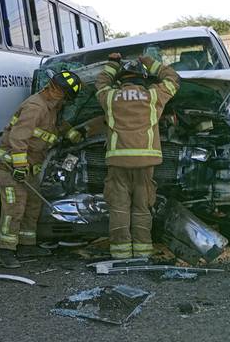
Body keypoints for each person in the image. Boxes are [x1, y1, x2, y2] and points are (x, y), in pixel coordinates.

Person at [67, 53, 180, 259]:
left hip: (118, 162)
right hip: (146, 162)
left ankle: (120, 253)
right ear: (142, 79)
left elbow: (101, 82)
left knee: (119, 206)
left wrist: (113, 63)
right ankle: (143, 250)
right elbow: (173, 79)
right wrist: (149, 61)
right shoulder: (153, 96)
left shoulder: (110, 98)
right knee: (142, 206)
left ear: (121, 80)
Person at [0, 71, 83, 268]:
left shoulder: (51, 107)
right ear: (58, 91)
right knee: (14, 209)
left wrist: (73, 134)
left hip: (31, 167)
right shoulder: (36, 107)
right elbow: (17, 138)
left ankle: (27, 245)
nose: (66, 102)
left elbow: (55, 126)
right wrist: (19, 166)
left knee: (32, 206)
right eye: (66, 96)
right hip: (13, 168)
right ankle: (6, 251)